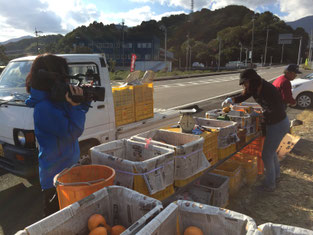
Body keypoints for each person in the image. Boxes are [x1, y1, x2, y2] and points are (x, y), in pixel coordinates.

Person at [25, 54, 90, 216]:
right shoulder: (44, 108)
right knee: (59, 220)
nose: (66, 81)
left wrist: (83, 101)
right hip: (56, 180)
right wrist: (76, 106)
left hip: (67, 170)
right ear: (52, 77)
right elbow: (72, 132)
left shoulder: (55, 100)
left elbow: (73, 113)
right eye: (63, 76)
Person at [222, 69, 289, 192]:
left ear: (252, 80)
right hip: (274, 123)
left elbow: (276, 110)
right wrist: (232, 100)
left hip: (278, 124)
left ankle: (270, 185)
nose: (244, 85)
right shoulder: (255, 88)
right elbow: (244, 95)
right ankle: (276, 176)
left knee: (266, 154)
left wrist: (259, 115)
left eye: (245, 83)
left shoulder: (268, 90)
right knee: (271, 152)